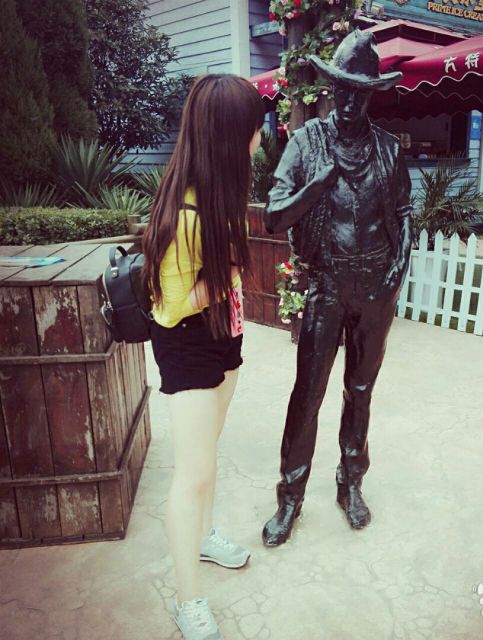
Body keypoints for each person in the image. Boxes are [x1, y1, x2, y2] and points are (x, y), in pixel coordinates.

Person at [261, 29, 413, 547]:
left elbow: (405, 215)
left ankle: (351, 483)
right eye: (342, 90)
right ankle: (290, 496)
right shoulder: (306, 143)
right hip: (327, 284)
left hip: (376, 288)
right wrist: (316, 186)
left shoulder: (388, 149)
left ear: (370, 95)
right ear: (331, 90)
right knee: (308, 392)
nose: (349, 102)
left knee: (361, 391)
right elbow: (273, 217)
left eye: (359, 93)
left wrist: (398, 271)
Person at [142, 73, 264, 640]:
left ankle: (205, 536)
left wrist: (228, 280)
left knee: (207, 458)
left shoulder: (221, 193)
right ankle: (188, 600)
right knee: (191, 475)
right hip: (187, 343)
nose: (261, 138)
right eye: (255, 128)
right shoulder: (187, 216)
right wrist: (228, 276)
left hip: (221, 335)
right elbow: (168, 309)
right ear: (231, 136)